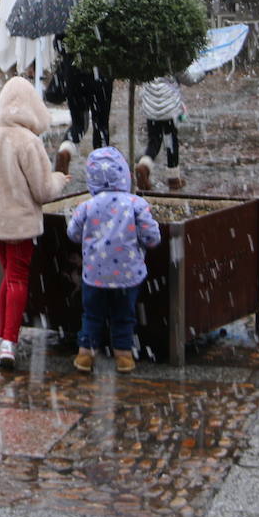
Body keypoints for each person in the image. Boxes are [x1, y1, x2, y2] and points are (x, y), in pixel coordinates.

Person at [0, 77, 70, 370]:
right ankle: (9, 343)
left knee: (7, 277)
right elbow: (43, 190)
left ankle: (0, 337)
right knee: (18, 278)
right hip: (19, 222)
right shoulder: (28, 141)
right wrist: (59, 180)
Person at [66, 147, 161, 374]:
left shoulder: (87, 206)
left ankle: (85, 354)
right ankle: (124, 355)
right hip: (128, 276)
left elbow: (73, 234)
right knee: (124, 315)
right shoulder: (135, 204)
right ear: (124, 175)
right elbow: (151, 236)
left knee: (92, 314)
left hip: (94, 275)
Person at [135, 68, 205, 193]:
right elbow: (189, 79)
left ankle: (144, 166)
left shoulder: (146, 58)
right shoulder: (173, 57)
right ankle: (173, 179)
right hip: (170, 109)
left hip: (151, 109)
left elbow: (138, 80)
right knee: (171, 142)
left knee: (154, 141)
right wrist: (203, 71)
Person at [53, 34, 114, 175]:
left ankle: (65, 150)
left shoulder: (68, 15)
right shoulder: (102, 14)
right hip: (100, 74)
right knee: (101, 125)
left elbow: (58, 45)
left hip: (73, 75)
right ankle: (101, 171)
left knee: (79, 124)